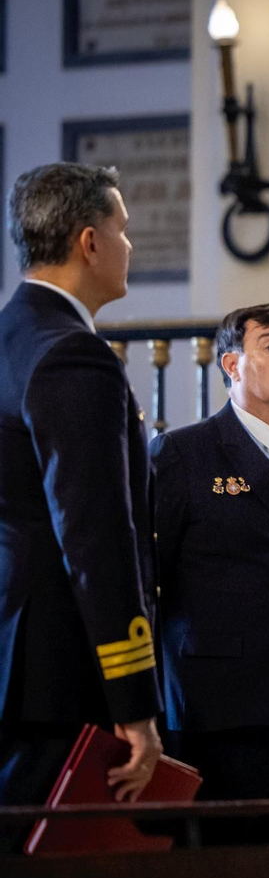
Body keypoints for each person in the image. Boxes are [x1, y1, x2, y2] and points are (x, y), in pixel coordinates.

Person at [0, 163, 162, 830]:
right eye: (124, 230)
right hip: (59, 676)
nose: (131, 247)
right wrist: (134, 703)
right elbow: (96, 538)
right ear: (89, 242)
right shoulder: (73, 355)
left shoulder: (12, 336)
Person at [150, 304, 269, 843]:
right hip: (220, 701)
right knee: (221, 862)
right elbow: (149, 576)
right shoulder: (184, 453)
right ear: (232, 364)